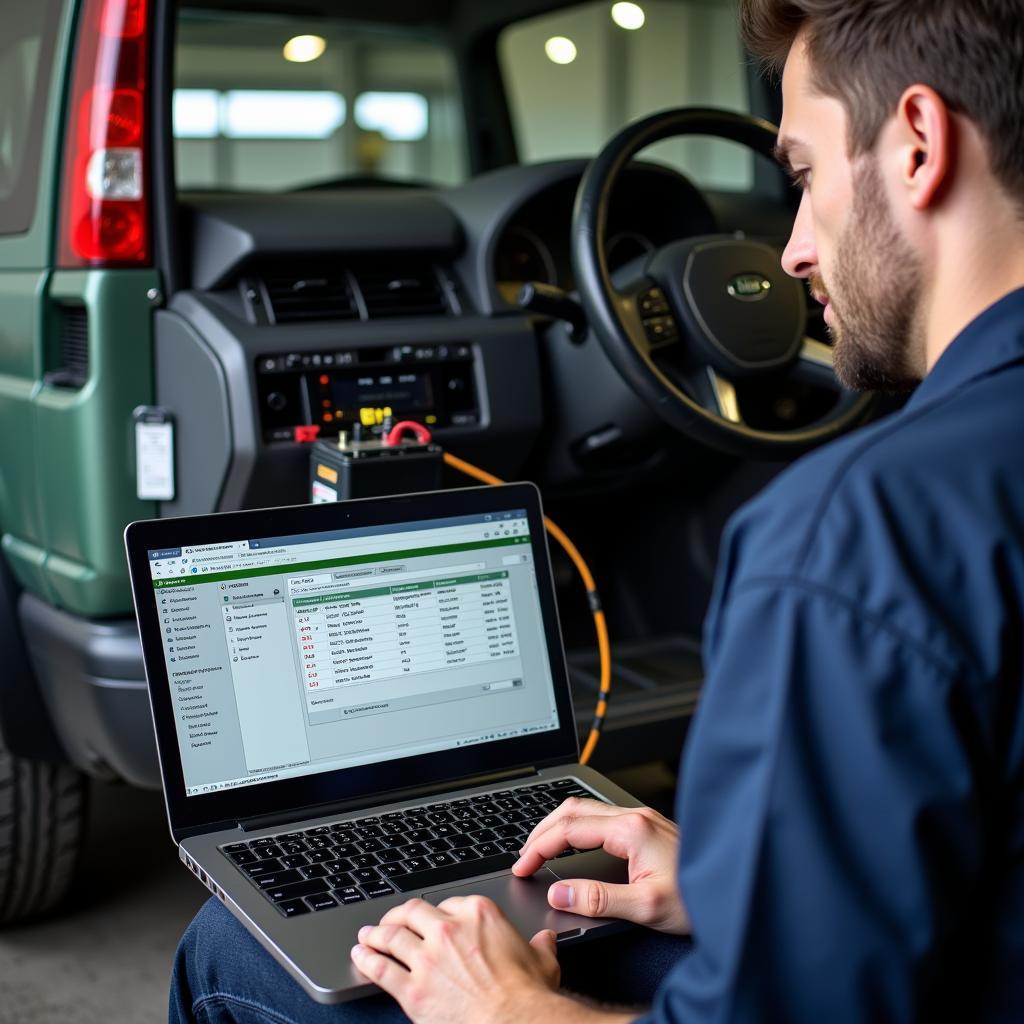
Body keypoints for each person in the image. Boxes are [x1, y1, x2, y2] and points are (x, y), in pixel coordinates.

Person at [170, 0, 1024, 1020]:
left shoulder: (852, 536)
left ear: (920, 144)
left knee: (227, 950)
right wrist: (731, 883)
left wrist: (502, 1009)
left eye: (799, 175)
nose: (790, 251)